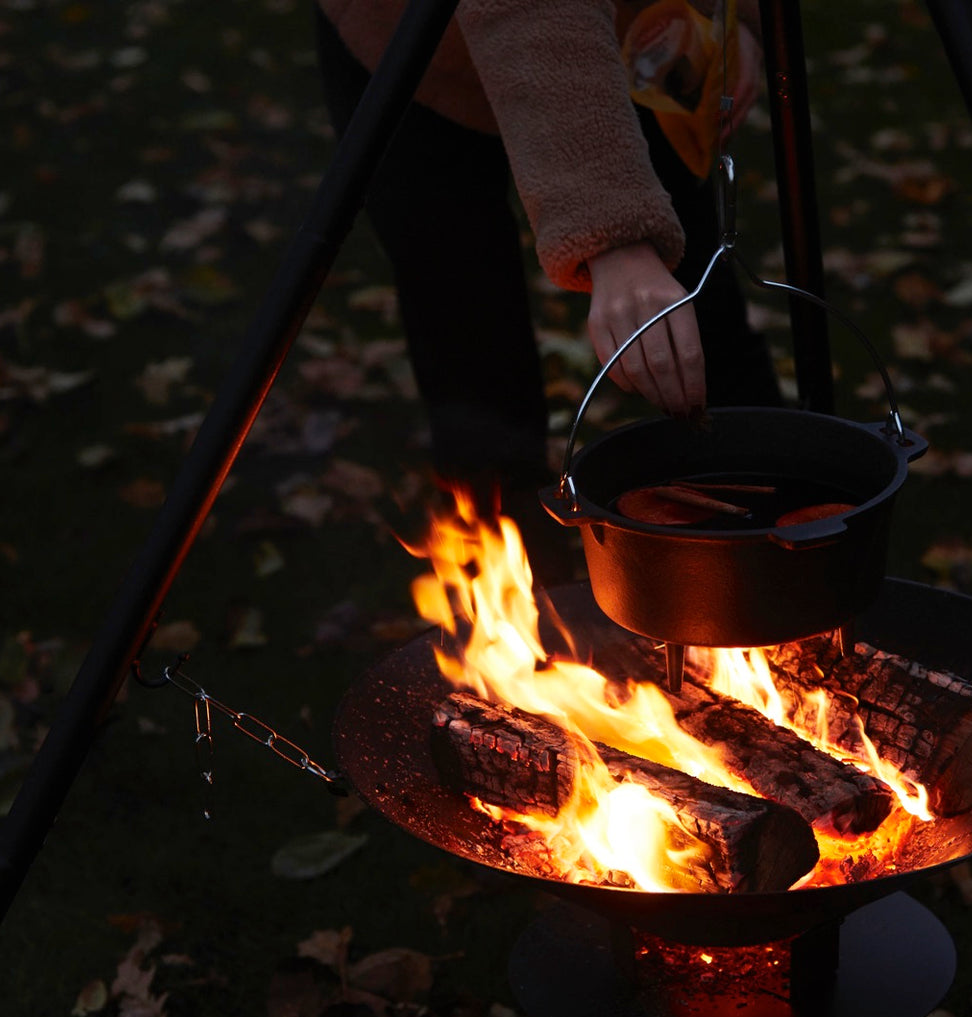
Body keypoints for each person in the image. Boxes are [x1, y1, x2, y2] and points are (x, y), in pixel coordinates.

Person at [314, 0, 782, 581]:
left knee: (700, 306)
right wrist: (616, 234)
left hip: (638, 32)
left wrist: (743, 18)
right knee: (465, 331)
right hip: (414, 39)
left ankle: (776, 556)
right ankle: (515, 598)